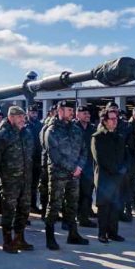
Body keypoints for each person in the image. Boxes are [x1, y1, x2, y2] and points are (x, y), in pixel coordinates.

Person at [43, 100, 89, 250]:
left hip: (75, 174)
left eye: (71, 110)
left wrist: (79, 167)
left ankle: (73, 234)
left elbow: (84, 149)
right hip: (58, 173)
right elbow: (55, 155)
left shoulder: (76, 129)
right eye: (68, 110)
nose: (71, 113)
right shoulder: (52, 130)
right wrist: (72, 168)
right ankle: (50, 237)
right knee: (54, 205)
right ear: (59, 111)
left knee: (72, 204)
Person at [0, 106, 35, 253]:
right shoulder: (2, 136)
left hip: (26, 179)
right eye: (20, 117)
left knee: (24, 210)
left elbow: (31, 156)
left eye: (24, 117)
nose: (23, 120)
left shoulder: (27, 134)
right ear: (11, 117)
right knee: (9, 211)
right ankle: (7, 241)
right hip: (9, 181)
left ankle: (19, 238)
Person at [92, 106, 127, 243]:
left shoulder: (119, 136)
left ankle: (113, 232)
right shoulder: (98, 137)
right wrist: (115, 170)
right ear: (105, 121)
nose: (115, 121)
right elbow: (100, 159)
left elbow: (125, 156)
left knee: (115, 206)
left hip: (118, 177)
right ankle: (102, 233)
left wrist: (122, 169)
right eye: (111, 119)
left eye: (116, 119)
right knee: (104, 207)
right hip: (104, 177)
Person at [120, 105, 135, 222]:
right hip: (130, 159)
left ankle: (134, 206)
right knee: (128, 186)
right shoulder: (128, 126)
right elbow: (126, 144)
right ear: (134, 114)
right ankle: (128, 209)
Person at [75, 105, 97, 228]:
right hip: (76, 165)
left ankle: (84, 217)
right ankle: (74, 216)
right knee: (74, 194)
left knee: (87, 193)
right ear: (78, 115)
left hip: (89, 165)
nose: (87, 115)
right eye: (84, 113)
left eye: (88, 113)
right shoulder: (73, 128)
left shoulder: (92, 129)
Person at [27, 104, 45, 214]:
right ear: (28, 112)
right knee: (27, 185)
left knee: (34, 184)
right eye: (32, 112)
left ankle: (33, 205)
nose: (34, 114)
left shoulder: (40, 125)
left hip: (37, 159)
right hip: (28, 159)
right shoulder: (24, 124)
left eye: (35, 112)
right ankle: (27, 206)